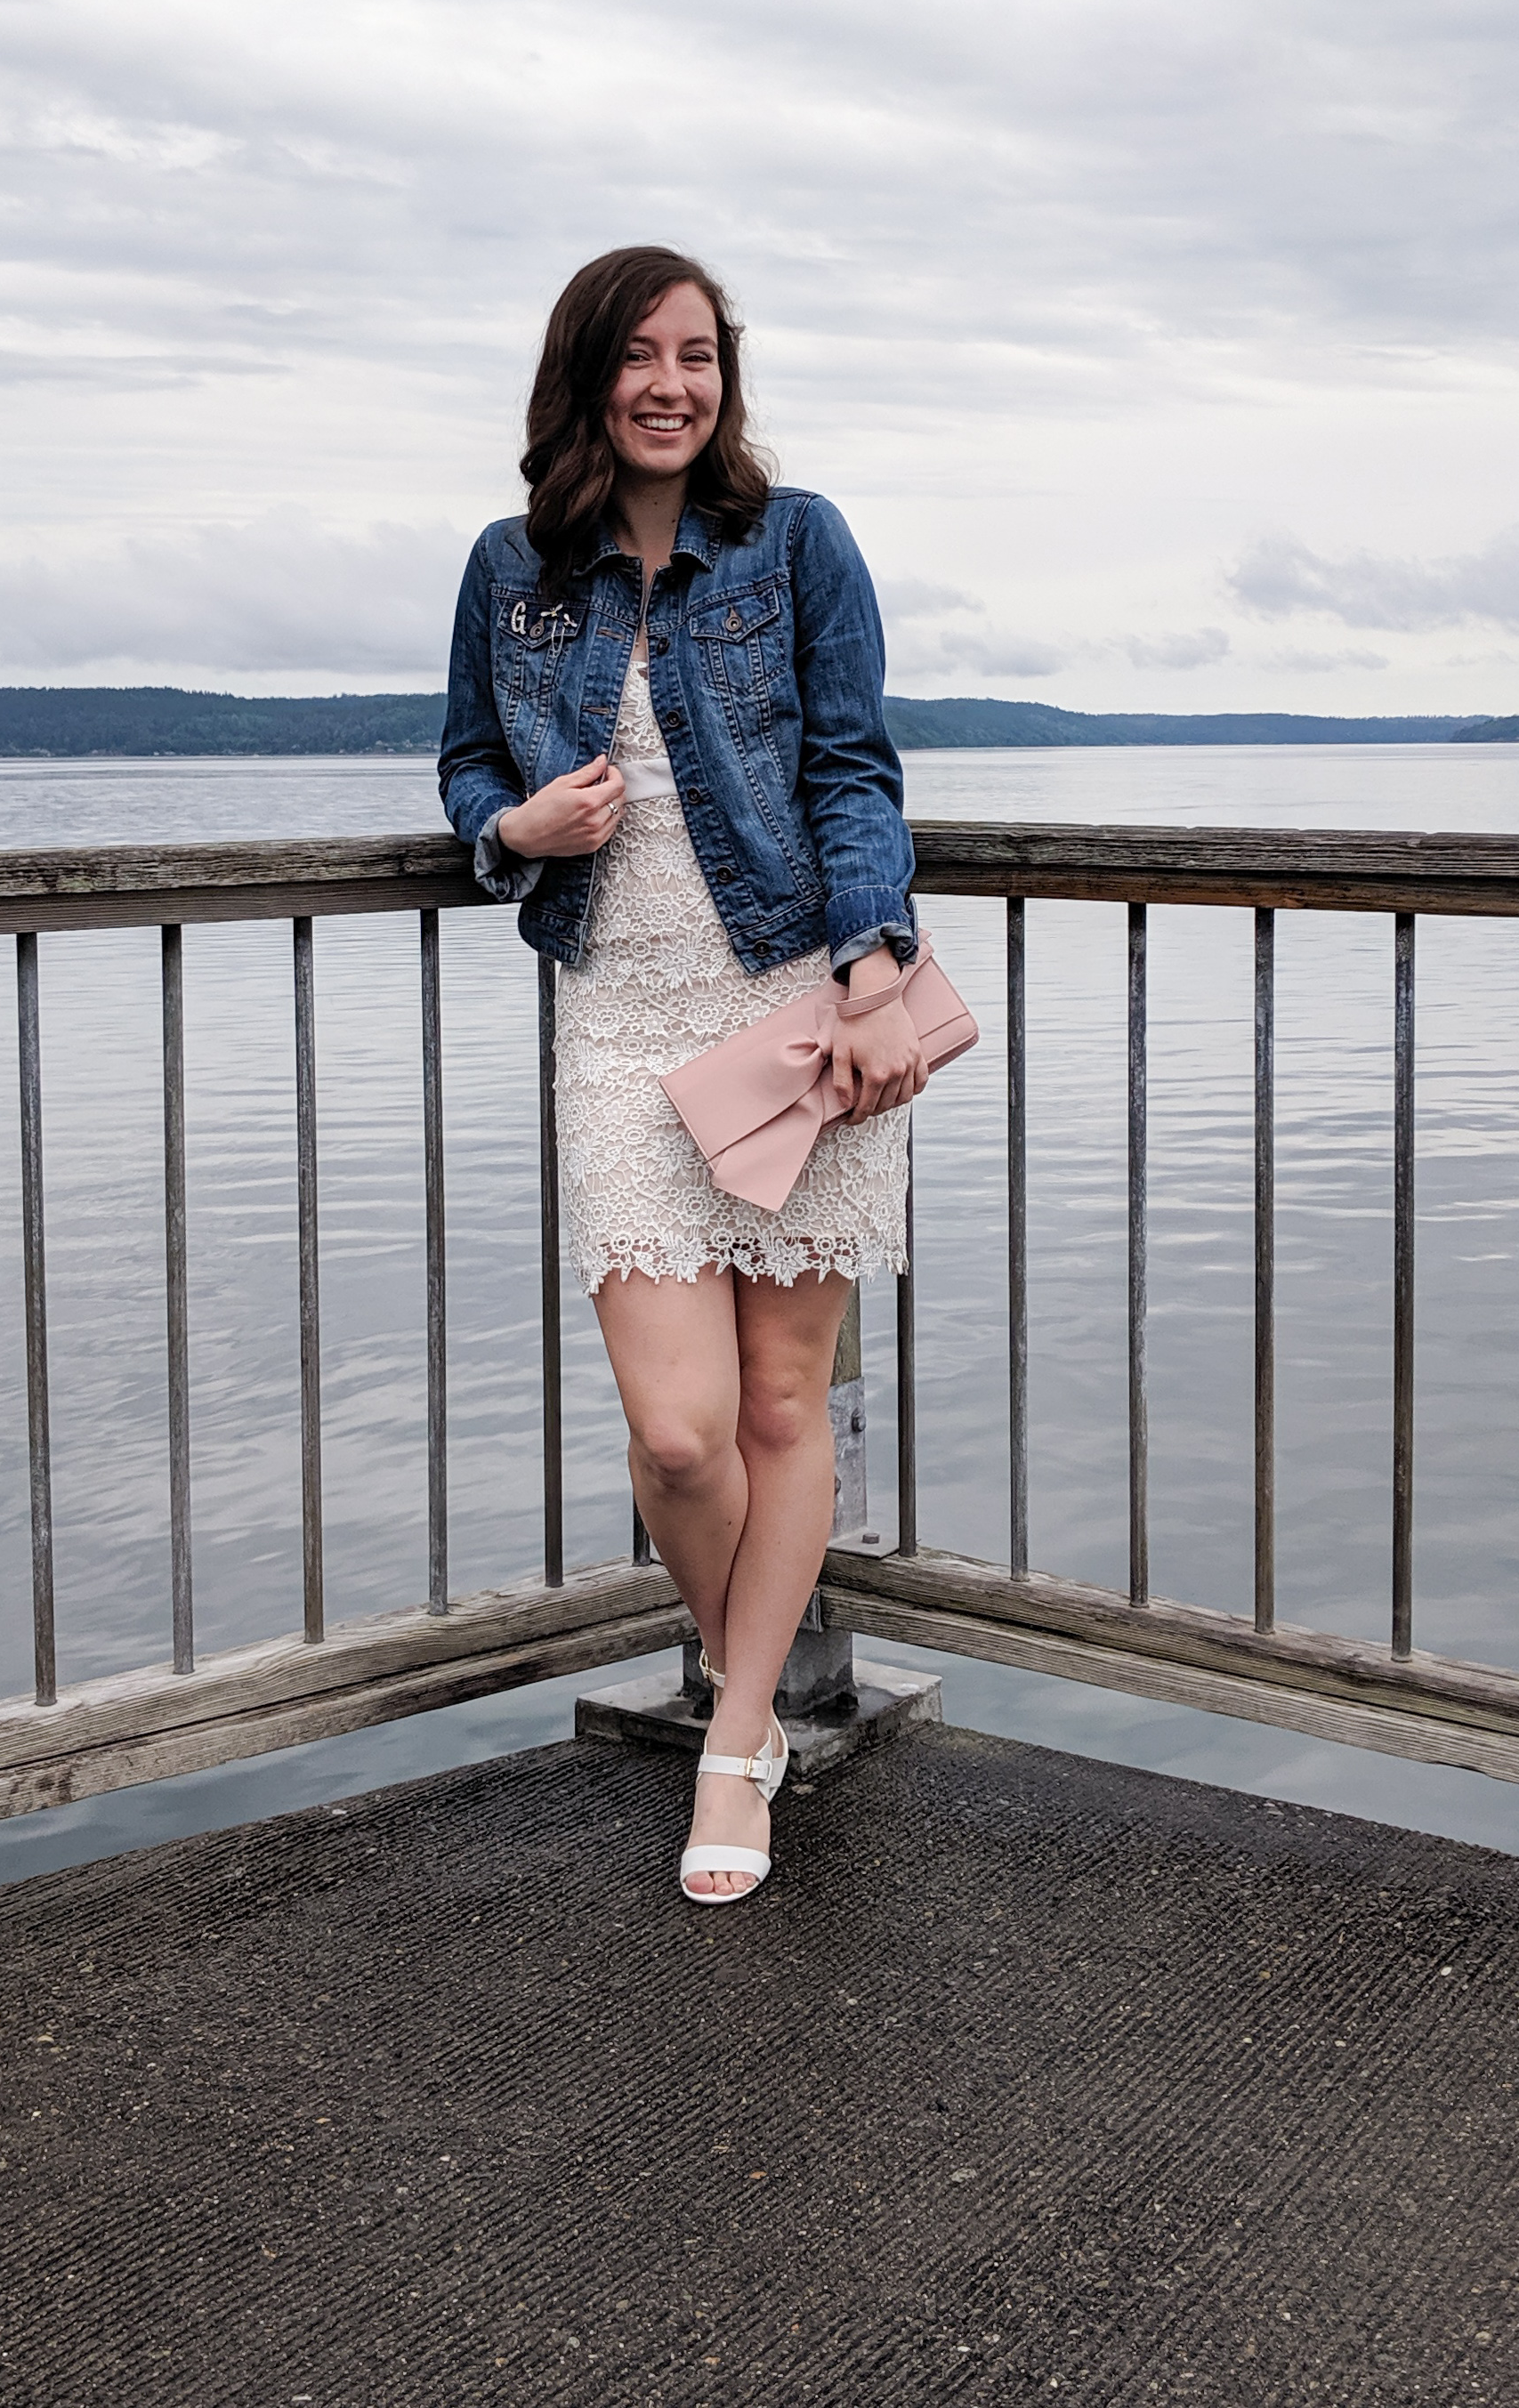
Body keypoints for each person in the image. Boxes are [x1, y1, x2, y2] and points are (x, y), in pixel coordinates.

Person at [440, 246, 927, 1904]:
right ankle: (758, 1694)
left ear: (728, 375)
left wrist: (871, 967)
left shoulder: (798, 543)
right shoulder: (515, 568)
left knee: (785, 1407)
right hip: (617, 1015)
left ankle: (735, 1749)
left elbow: (855, 767)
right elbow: (460, 764)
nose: (673, 383)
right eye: (641, 355)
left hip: (795, 1000)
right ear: (586, 376)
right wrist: (512, 829)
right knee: (677, 1435)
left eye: (699, 354)